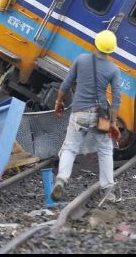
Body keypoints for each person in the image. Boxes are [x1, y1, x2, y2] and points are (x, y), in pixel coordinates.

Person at [52, 30, 122, 201]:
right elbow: (116, 100)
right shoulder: (113, 70)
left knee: (70, 147)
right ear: (111, 50)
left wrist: (58, 103)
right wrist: (113, 123)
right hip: (101, 116)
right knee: (105, 149)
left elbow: (66, 84)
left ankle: (61, 179)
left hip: (79, 112)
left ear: (96, 44)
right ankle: (108, 189)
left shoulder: (81, 60)